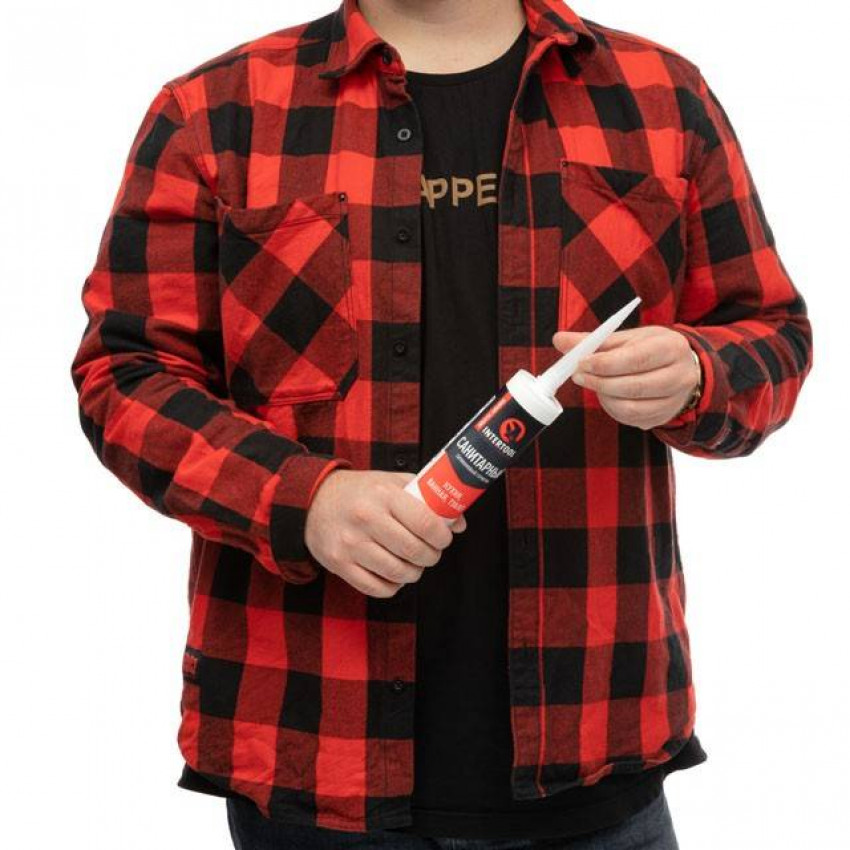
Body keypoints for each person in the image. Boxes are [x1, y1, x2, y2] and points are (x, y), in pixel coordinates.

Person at [69, 0, 813, 847]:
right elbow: (124, 376)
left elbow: (774, 336)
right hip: (312, 753)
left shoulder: (661, 96)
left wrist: (699, 373)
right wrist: (303, 501)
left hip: (598, 747)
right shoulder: (216, 112)